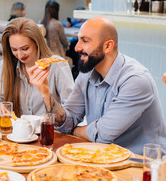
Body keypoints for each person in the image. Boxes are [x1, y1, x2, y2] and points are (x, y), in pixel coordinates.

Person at [29, 16, 166, 155]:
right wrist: (45, 92)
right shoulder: (86, 74)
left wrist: (75, 130)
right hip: (102, 157)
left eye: (85, 41)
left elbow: (103, 134)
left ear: (108, 46)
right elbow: (66, 123)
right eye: (78, 39)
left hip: (141, 164)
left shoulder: (135, 81)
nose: (77, 47)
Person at [0, 18, 74, 117]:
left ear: (37, 43)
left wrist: (46, 96)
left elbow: (70, 110)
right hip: (17, 130)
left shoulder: (57, 65)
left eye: (25, 49)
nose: (20, 55)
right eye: (14, 49)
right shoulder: (5, 65)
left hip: (49, 129)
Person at [40, 0, 71, 64]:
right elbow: (64, 42)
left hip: (43, 56)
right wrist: (68, 44)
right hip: (56, 56)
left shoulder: (41, 23)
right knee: (70, 59)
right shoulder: (57, 24)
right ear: (57, 11)